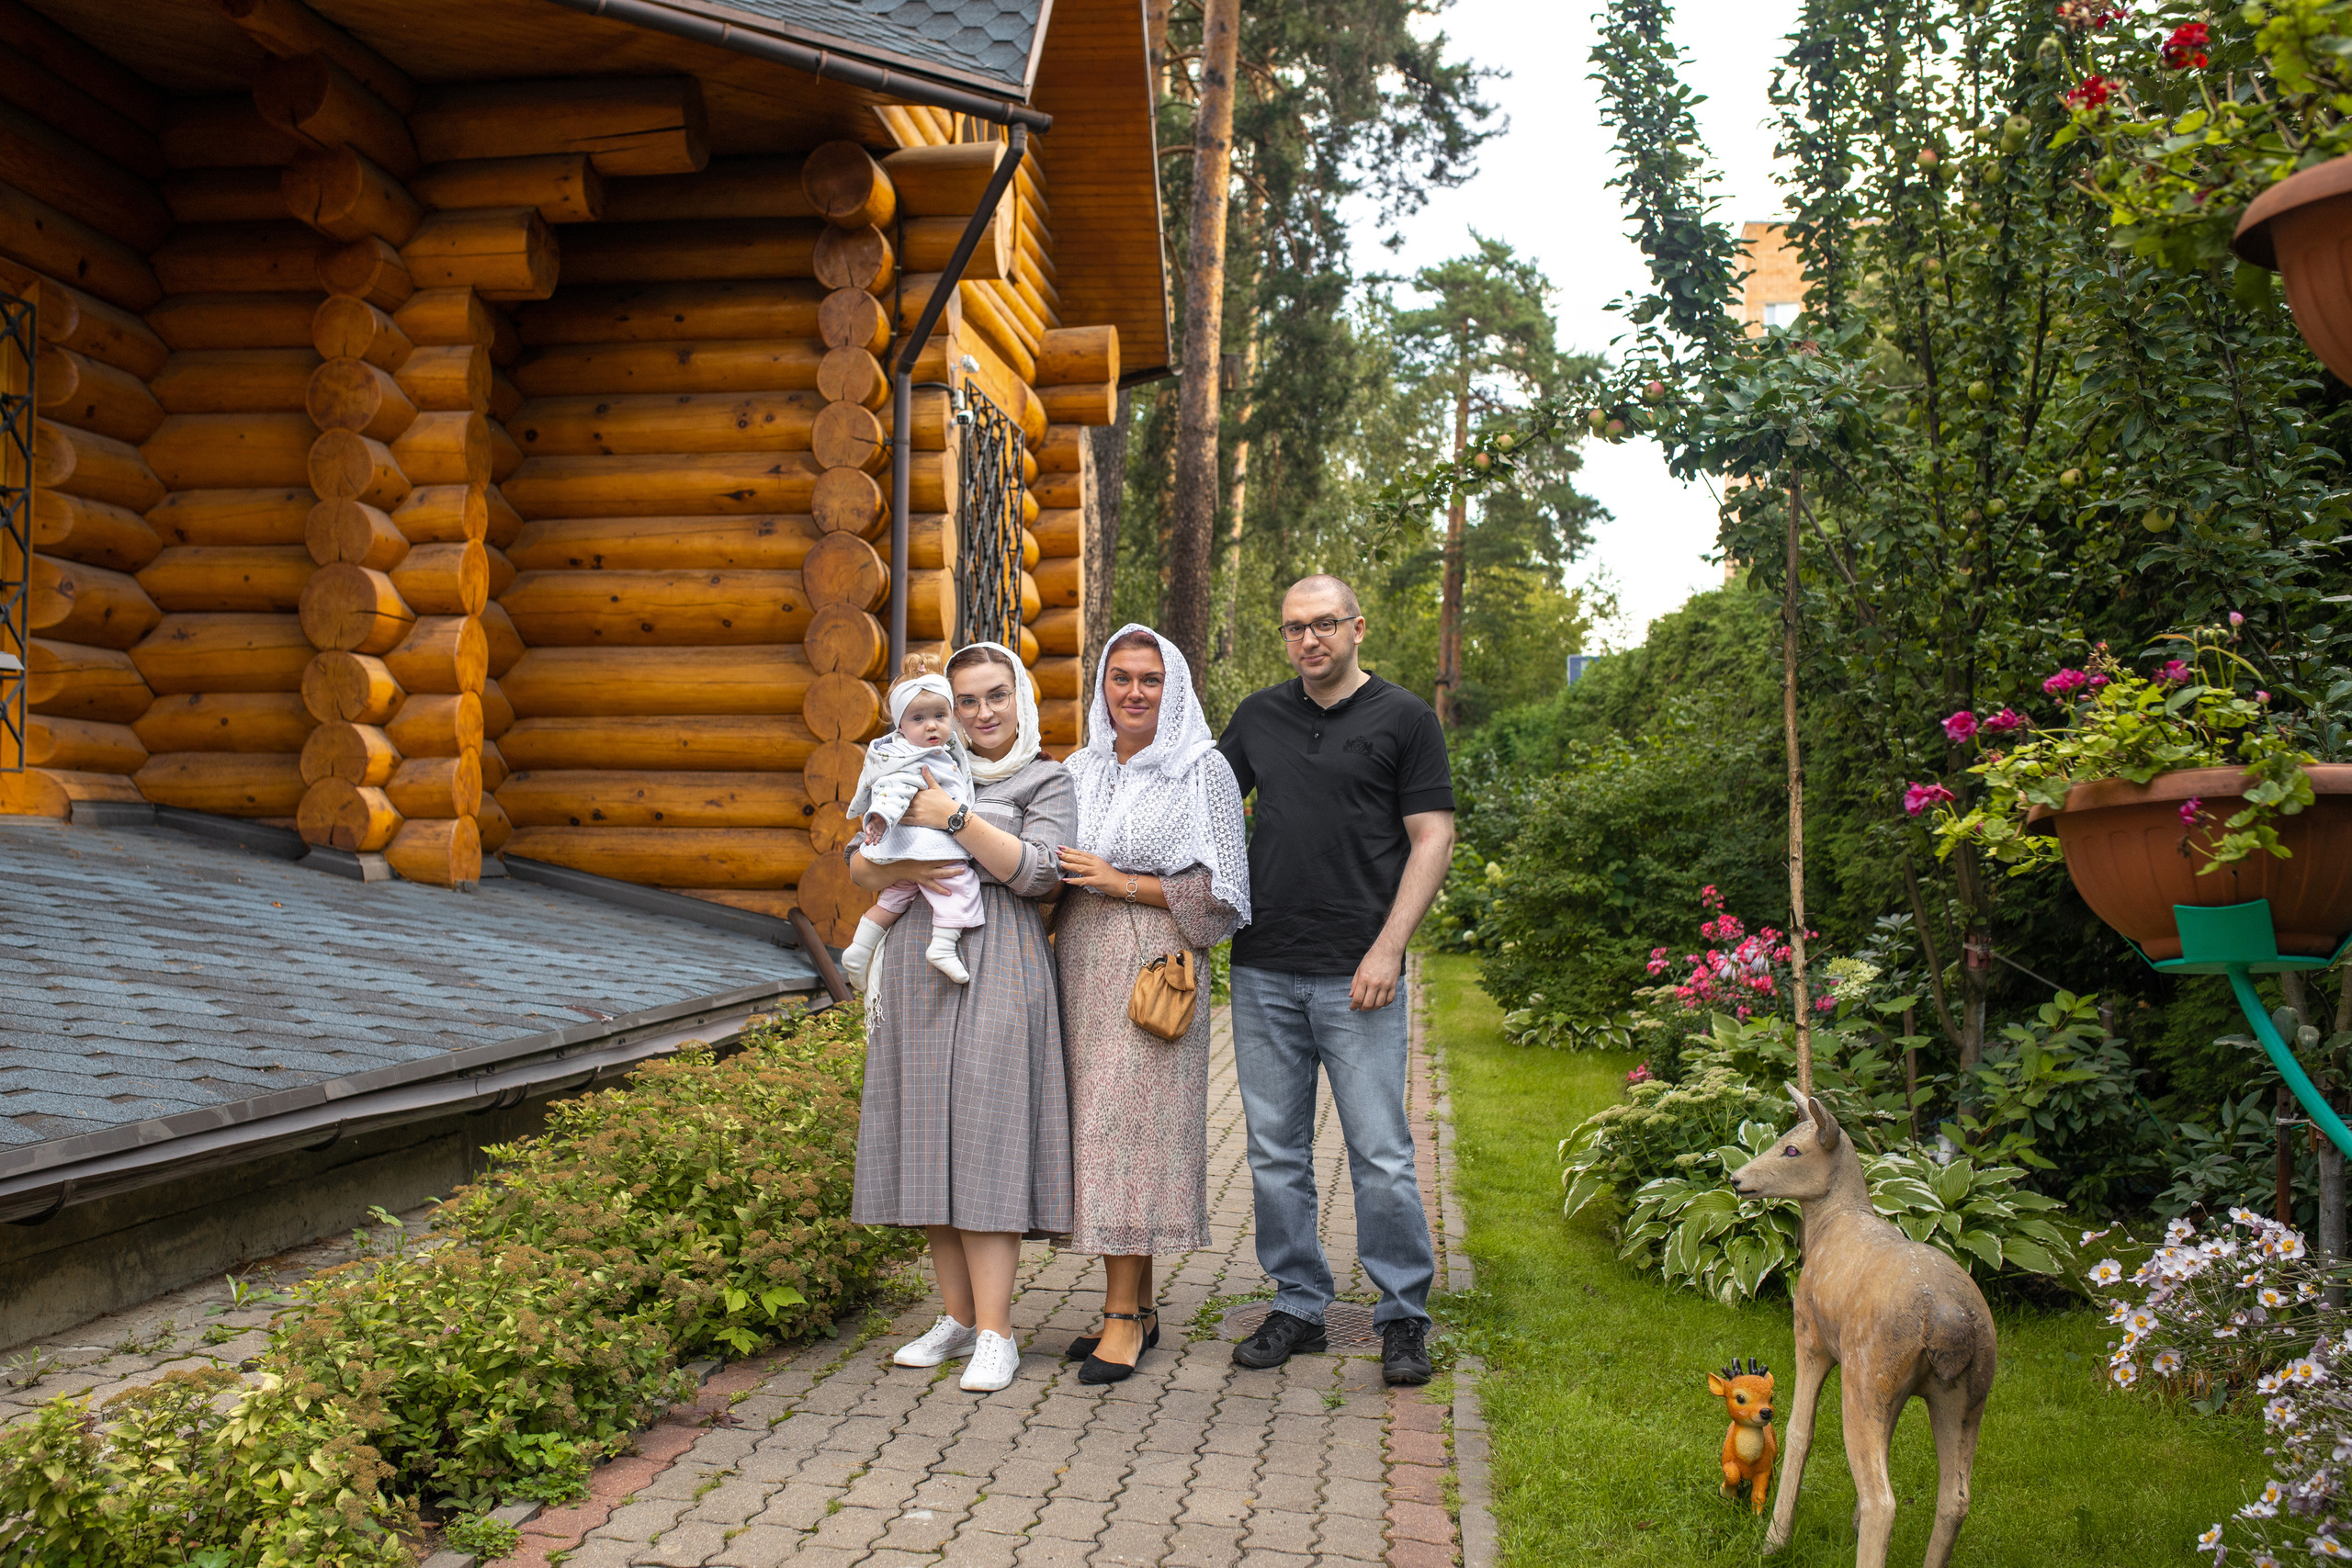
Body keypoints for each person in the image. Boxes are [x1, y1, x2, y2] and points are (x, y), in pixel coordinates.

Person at [1215, 574, 1456, 1386]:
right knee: (1274, 1151)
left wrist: (1390, 947)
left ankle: (1402, 1317)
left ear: (1357, 627)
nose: (1309, 639)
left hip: (1361, 974)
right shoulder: (1257, 717)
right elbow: (1206, 815)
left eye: (1323, 624)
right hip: (1263, 968)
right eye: (1293, 627)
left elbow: (1432, 837)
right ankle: (1299, 1303)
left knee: (1380, 1152)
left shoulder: (1405, 718)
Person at [847, 641, 1077, 1393]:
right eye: (966, 699)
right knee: (927, 1134)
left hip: (1001, 959)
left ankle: (997, 1331)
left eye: (995, 696)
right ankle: (955, 1316)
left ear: (1021, 699)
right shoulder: (913, 753)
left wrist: (951, 818)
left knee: (985, 1135)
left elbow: (1040, 872)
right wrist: (916, 861)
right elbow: (857, 862)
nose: (981, 713)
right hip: (916, 962)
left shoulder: (1048, 778)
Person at [1054, 625, 1250, 1385]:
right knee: (1095, 1136)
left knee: (1127, 1137)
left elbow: (1225, 896)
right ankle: (1135, 1304)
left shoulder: (1204, 771)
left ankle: (1120, 1320)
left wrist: (1122, 882)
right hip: (1078, 962)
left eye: (1150, 678)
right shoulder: (1078, 767)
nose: (1134, 691)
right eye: (1120, 677)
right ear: (1102, 686)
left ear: (1175, 687)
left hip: (1155, 970)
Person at [840, 655, 982, 986]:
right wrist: (879, 817)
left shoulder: (934, 751)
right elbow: (893, 791)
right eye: (918, 718)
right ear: (900, 726)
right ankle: (944, 946)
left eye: (940, 716)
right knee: (960, 885)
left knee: (894, 896)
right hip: (926, 845)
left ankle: (859, 948)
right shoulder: (911, 758)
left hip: (906, 848)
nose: (931, 726)